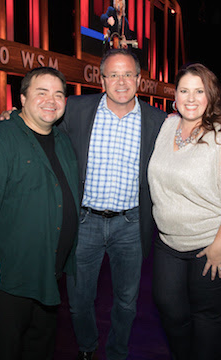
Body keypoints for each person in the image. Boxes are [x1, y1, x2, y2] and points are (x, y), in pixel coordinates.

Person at [0, 67, 80, 360]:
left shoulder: (63, 141)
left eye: (58, 94)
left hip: (47, 272)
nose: (51, 100)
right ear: (23, 98)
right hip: (7, 275)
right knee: (4, 349)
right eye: (41, 92)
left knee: (39, 347)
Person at [60, 49, 166, 360]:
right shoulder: (75, 110)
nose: (121, 81)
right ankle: (87, 348)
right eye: (113, 75)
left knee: (127, 300)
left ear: (139, 79)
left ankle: (118, 352)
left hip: (131, 225)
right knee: (79, 299)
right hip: (85, 222)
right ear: (102, 79)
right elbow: (42, 132)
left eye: (128, 74)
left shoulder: (157, 121)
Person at [147, 63, 221, 360]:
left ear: (211, 97)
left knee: (208, 316)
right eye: (184, 90)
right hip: (170, 242)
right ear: (175, 95)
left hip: (216, 241)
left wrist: (220, 245)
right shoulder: (168, 125)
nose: (191, 98)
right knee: (169, 308)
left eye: (199, 91)